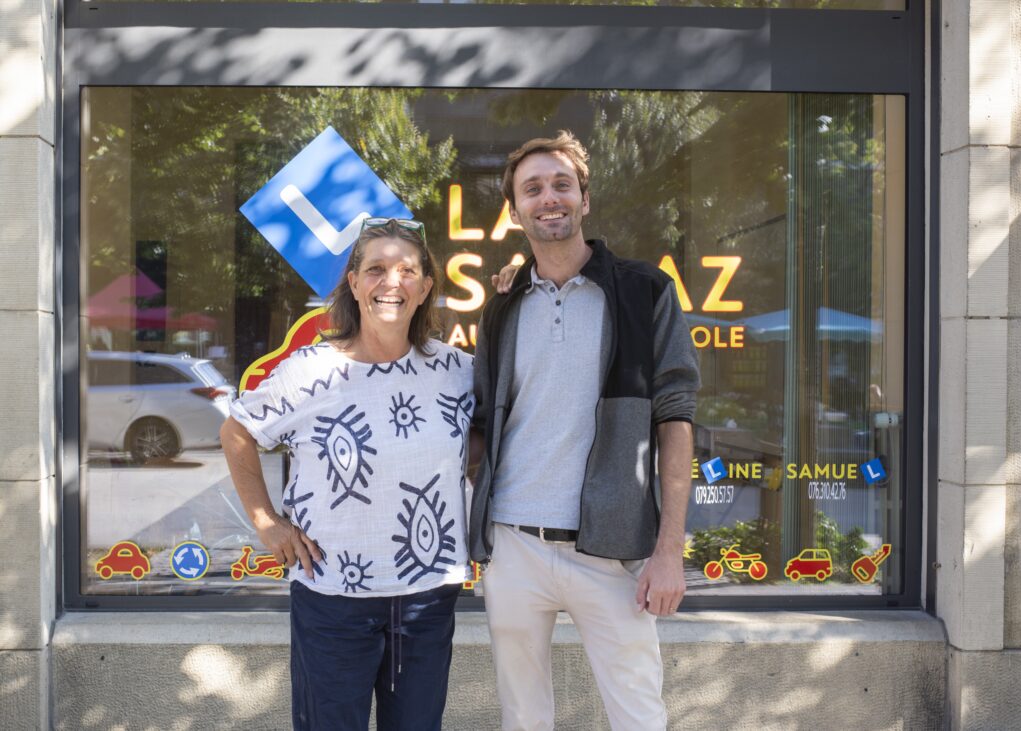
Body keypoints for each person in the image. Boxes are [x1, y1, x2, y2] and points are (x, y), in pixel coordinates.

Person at [469, 131, 700, 731]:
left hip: (613, 552)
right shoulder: (502, 304)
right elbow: (483, 419)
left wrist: (669, 550)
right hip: (513, 543)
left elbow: (676, 417)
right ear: (515, 209)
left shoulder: (643, 290)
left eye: (561, 185)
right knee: (523, 718)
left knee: (639, 715)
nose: (549, 198)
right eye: (533, 188)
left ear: (584, 199)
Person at [221, 218, 475, 731]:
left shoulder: (459, 371)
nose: (392, 282)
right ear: (354, 283)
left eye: (407, 271)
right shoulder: (308, 372)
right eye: (376, 269)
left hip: (427, 598)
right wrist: (267, 521)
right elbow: (238, 432)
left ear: (426, 288)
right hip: (332, 597)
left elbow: (486, 444)